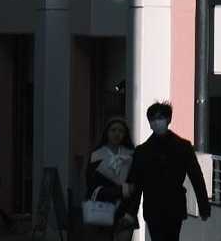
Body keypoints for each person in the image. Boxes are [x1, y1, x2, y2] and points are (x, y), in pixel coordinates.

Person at [124, 103, 210, 241]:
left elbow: (196, 177)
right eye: (153, 119)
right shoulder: (142, 151)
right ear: (149, 123)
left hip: (174, 206)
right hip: (153, 207)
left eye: (160, 118)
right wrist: (130, 212)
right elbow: (137, 183)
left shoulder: (183, 147)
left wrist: (204, 206)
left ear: (169, 119)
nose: (156, 122)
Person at [84, 117, 137, 237]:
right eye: (113, 130)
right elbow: (91, 185)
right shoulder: (96, 155)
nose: (117, 134)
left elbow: (135, 186)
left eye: (121, 131)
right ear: (106, 133)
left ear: (125, 134)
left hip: (125, 211)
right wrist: (121, 191)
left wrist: (130, 212)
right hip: (101, 209)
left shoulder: (131, 155)